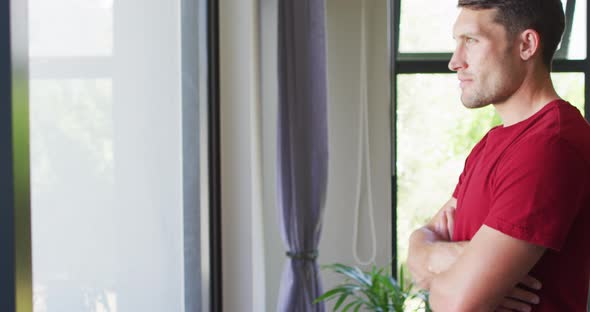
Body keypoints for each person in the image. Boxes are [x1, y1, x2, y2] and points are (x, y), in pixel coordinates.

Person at [406, 1, 590, 311]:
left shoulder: (550, 145)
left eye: (472, 41)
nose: (455, 62)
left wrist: (443, 275)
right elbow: (418, 249)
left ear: (527, 45)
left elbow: (453, 304)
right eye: (457, 42)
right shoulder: (492, 143)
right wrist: (447, 257)